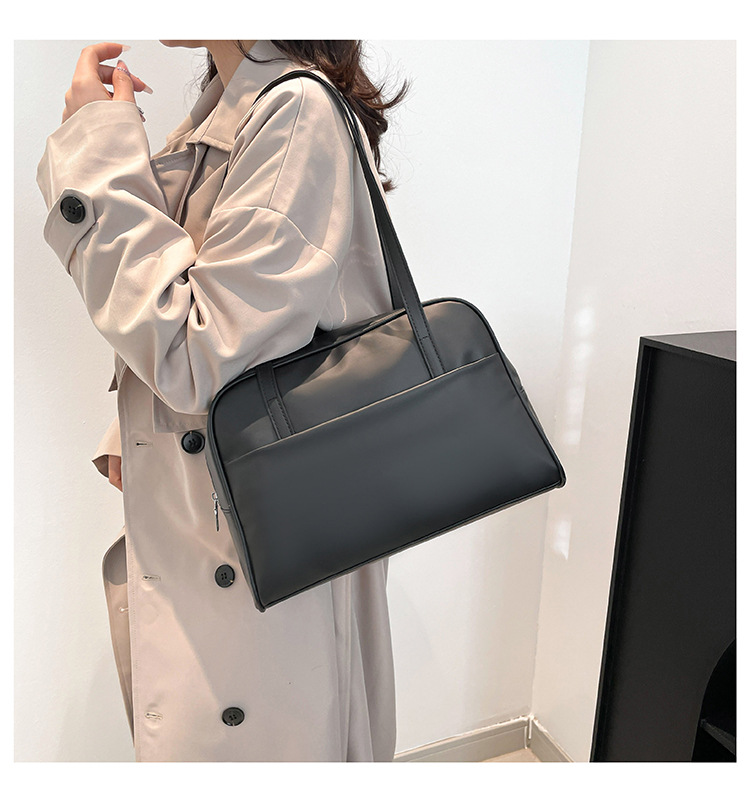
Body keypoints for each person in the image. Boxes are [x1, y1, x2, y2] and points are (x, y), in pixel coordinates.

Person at [36, 39, 407, 762]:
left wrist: (94, 156)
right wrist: (133, 432)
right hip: (229, 525)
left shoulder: (295, 110)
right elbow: (230, 317)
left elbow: (199, 348)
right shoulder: (235, 111)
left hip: (262, 557)